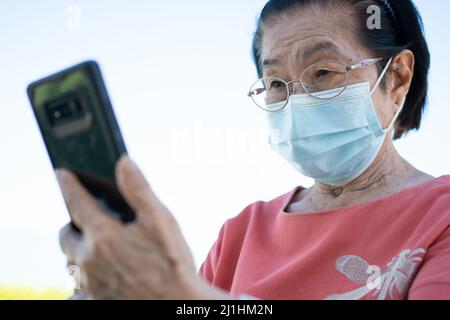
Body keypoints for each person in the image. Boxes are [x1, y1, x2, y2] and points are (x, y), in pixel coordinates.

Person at [59, 0, 450, 300]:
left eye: (323, 72)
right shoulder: (240, 236)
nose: (297, 101)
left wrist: (175, 292)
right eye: (277, 82)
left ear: (397, 77)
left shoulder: (440, 218)